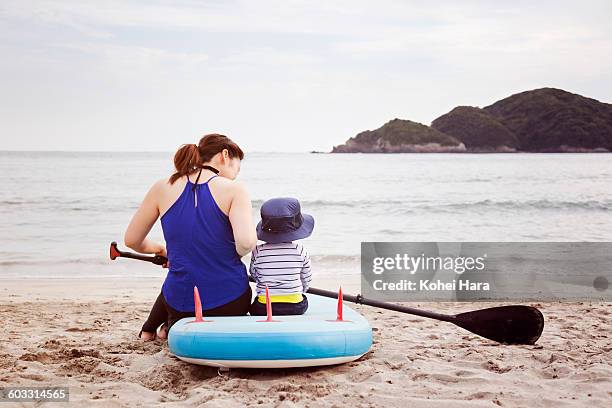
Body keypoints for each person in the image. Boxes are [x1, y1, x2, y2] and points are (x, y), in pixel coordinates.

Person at [124, 134, 257, 341]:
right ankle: (164, 329)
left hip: (180, 304)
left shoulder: (162, 187)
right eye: (236, 169)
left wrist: (161, 250)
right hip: (229, 301)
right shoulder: (234, 190)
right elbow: (247, 243)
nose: (235, 176)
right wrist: (228, 254)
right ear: (225, 155)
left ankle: (166, 326)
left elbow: (132, 240)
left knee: (175, 289)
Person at [249, 197, 314, 316]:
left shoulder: (258, 251)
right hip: (295, 306)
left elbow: (254, 274)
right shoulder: (299, 250)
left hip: (264, 307)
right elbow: (306, 279)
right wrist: (299, 290)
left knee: (254, 306)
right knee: (303, 300)